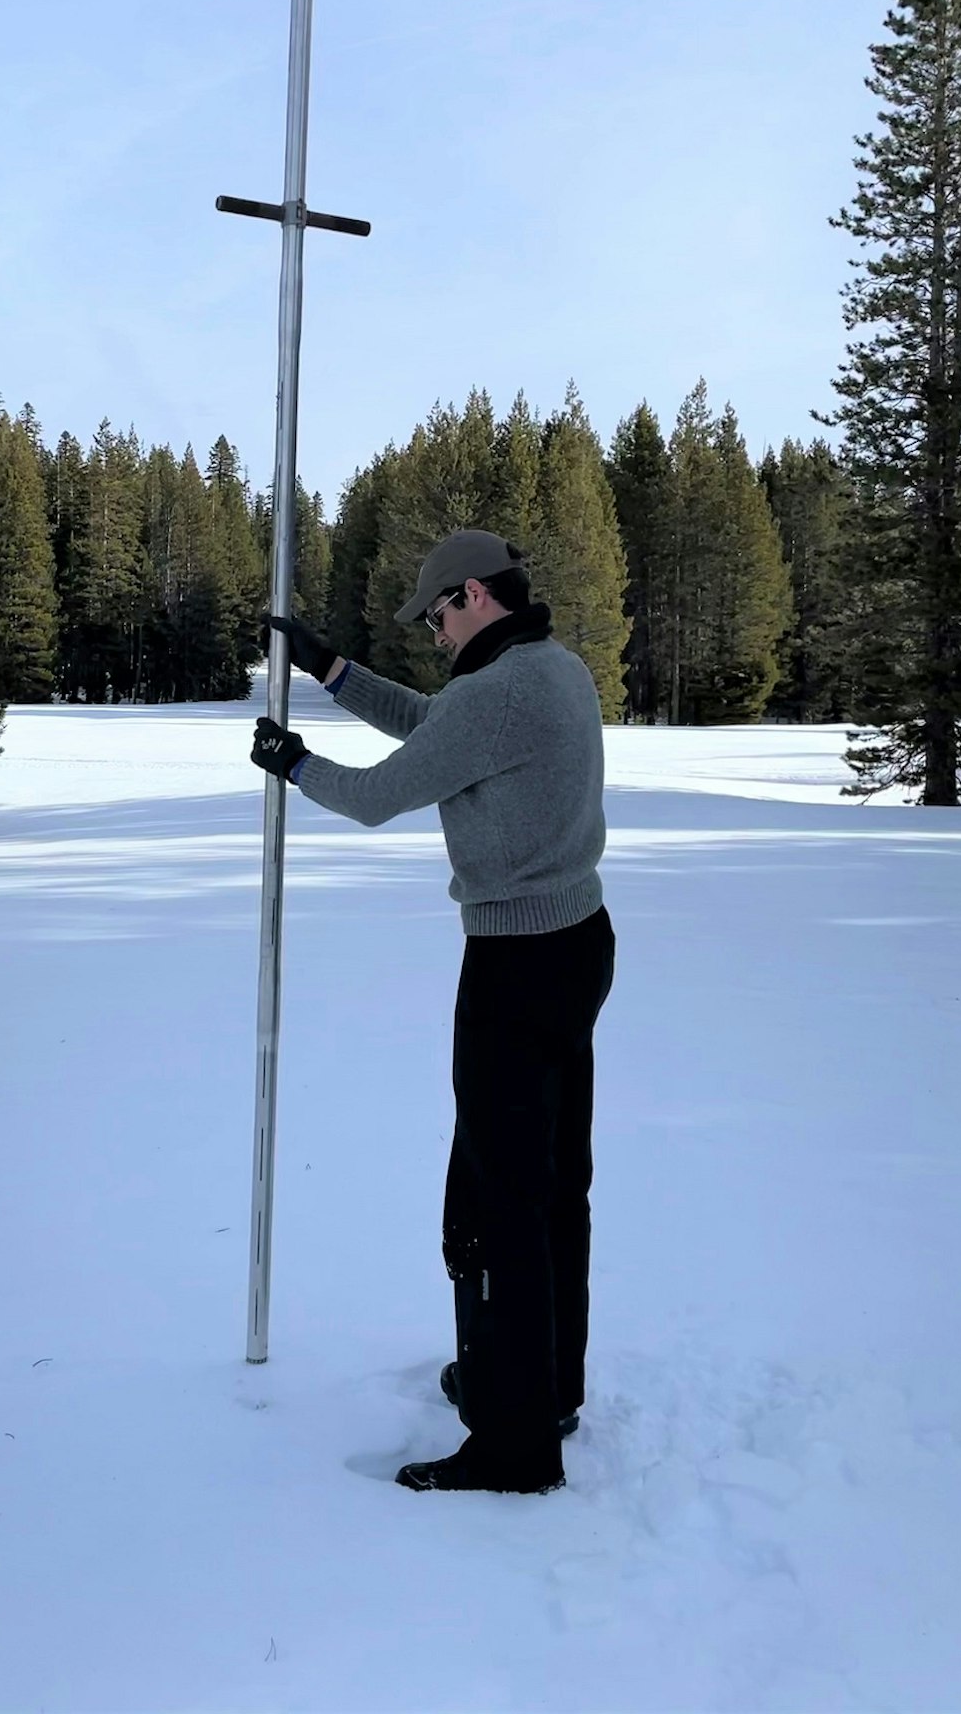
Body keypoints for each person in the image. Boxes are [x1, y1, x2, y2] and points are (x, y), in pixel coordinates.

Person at [251, 530, 614, 1495]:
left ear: (473, 596)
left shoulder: (495, 693)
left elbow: (377, 796)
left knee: (498, 1203)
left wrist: (295, 765)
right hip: (576, 945)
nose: (437, 635)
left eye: (439, 616)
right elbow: (438, 730)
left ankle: (513, 1442)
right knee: (551, 1185)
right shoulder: (552, 669)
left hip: (517, 967)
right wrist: (335, 671)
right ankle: (541, 1385)